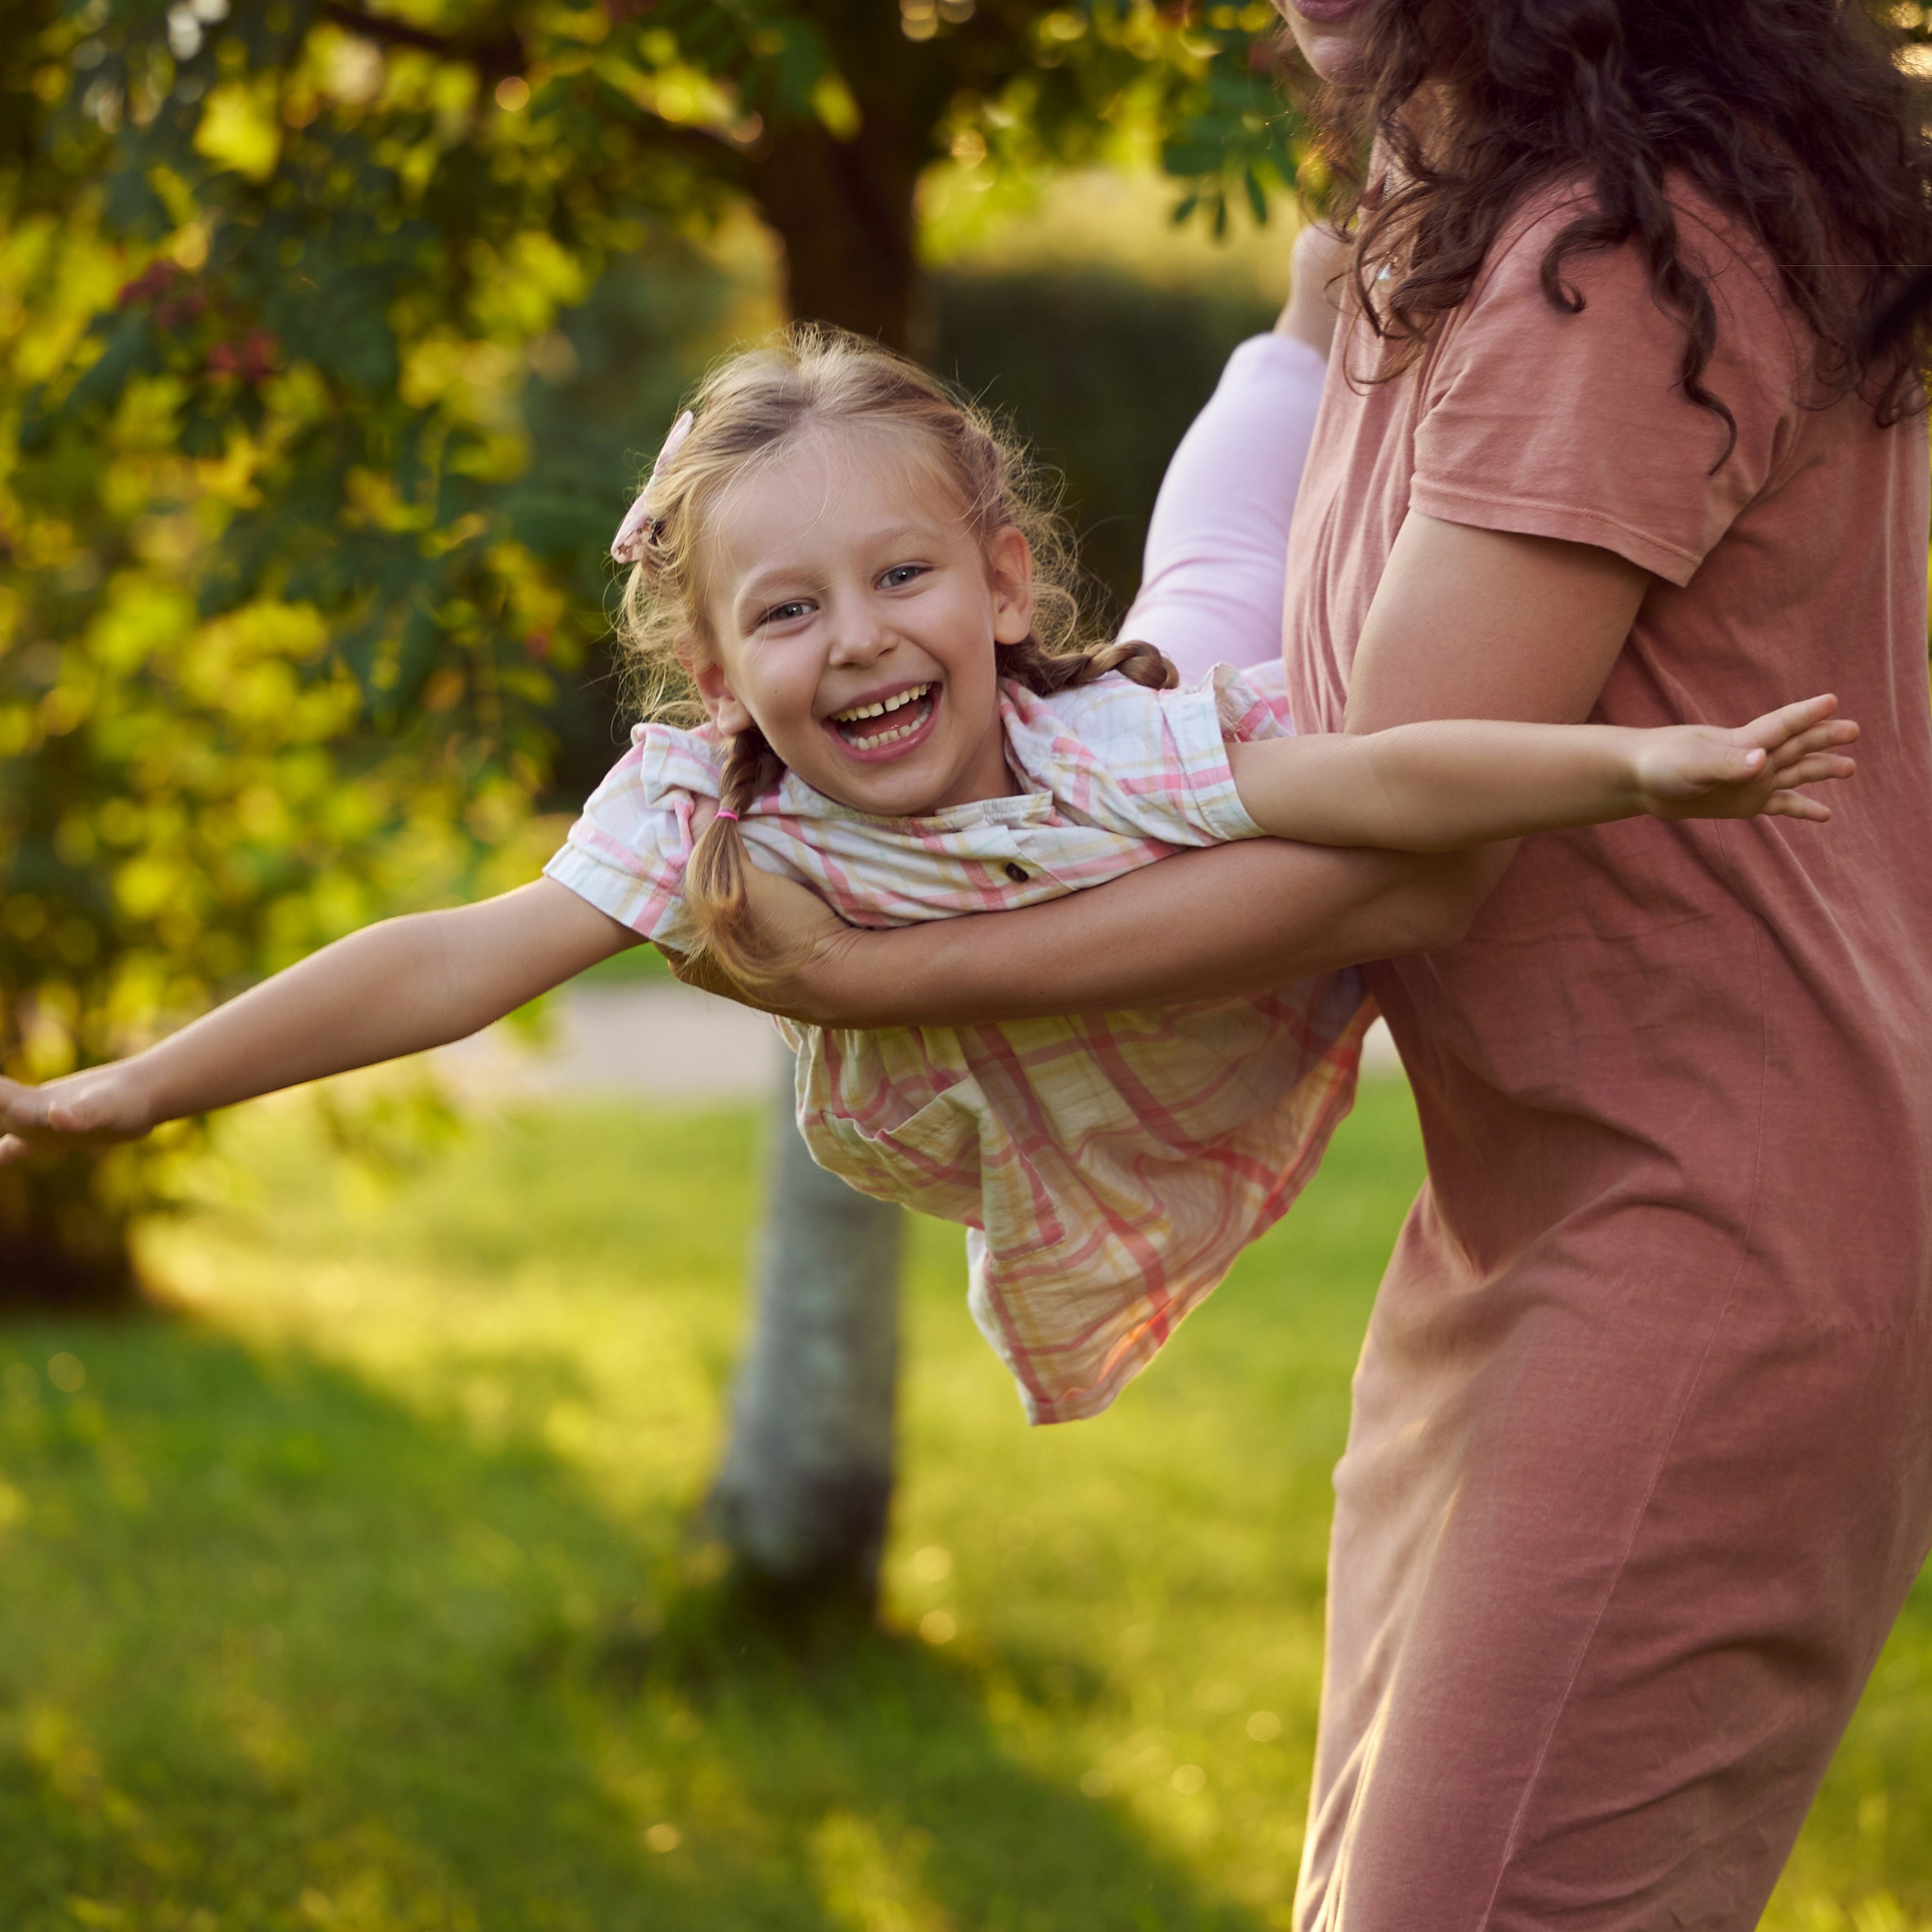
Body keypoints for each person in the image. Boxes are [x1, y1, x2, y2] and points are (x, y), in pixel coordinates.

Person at [672, 4, 1932, 1922]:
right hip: (1524, 1201)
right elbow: (1244, 618)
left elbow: (1386, 866)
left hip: (1712, 1229)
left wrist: (863, 979)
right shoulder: (1473, 203)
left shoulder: (1617, 258)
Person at [0, 321, 1853, 1435]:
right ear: (720, 676)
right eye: (788, 612)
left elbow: (1378, 779)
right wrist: (138, 1082)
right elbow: (454, 960)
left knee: (1221, 570)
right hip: (1098, 1009)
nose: (860, 641)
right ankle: (1286, 337)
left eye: (902, 580)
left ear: (997, 590)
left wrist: (1632, 765)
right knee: (1211, 579)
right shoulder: (710, 808)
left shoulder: (1104, 747)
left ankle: (1289, 332)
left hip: (1183, 803)